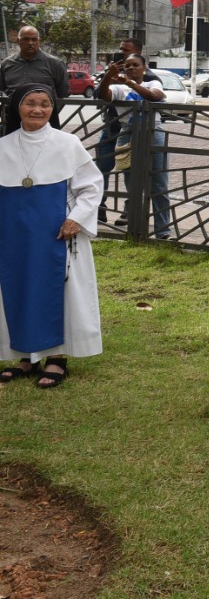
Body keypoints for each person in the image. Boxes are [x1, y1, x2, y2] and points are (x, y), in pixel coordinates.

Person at [0, 86, 104, 388]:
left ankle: (56, 359)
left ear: (52, 109)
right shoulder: (3, 146)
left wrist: (76, 218)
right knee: (16, 289)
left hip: (57, 234)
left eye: (44, 104)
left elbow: (91, 187)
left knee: (58, 293)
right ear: (18, 108)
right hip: (14, 236)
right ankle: (25, 357)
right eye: (30, 103)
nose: (37, 109)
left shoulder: (67, 143)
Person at [95, 53, 174, 241]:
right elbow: (102, 95)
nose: (131, 68)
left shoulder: (152, 83)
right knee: (133, 184)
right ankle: (135, 229)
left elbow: (155, 97)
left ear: (144, 68)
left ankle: (163, 231)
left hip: (154, 132)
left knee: (159, 183)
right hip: (127, 134)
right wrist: (108, 76)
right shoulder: (117, 87)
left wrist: (130, 83)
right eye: (127, 66)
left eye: (135, 65)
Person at [93, 37, 142, 222]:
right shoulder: (112, 72)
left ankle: (130, 210)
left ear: (137, 52)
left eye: (125, 51)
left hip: (132, 130)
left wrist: (127, 81)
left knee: (129, 169)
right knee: (100, 166)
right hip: (111, 126)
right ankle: (99, 207)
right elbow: (98, 96)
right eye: (120, 50)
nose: (121, 54)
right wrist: (109, 76)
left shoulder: (146, 73)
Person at [0, 26, 70, 127]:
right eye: (25, 39)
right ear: (18, 41)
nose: (30, 43)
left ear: (39, 41)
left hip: (44, 120)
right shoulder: (7, 64)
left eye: (34, 39)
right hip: (13, 119)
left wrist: (47, 112)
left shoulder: (55, 63)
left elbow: (63, 93)